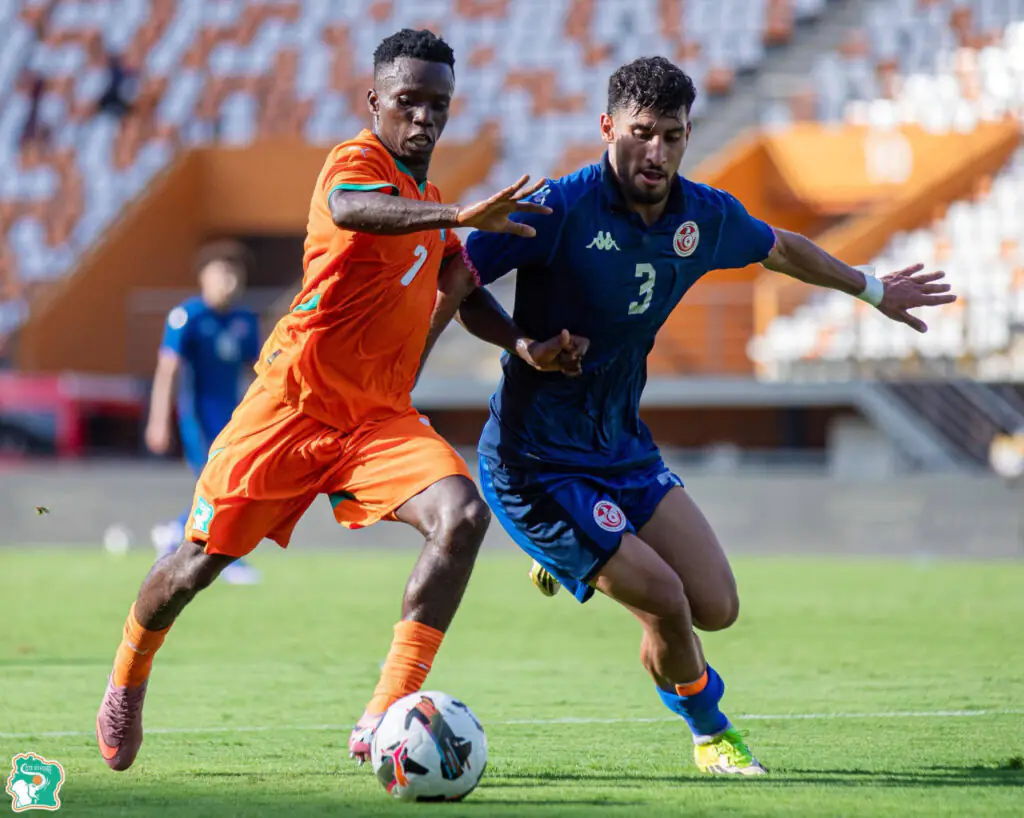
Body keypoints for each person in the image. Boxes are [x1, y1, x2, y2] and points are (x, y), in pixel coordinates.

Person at [427, 56, 956, 775]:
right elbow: (455, 277)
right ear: (608, 127)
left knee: (717, 604)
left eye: (673, 136)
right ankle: (711, 732)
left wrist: (871, 288)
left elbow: (781, 249)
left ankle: (562, 559)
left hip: (620, 451)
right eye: (642, 133)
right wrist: (523, 344)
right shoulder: (557, 207)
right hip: (533, 464)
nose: (658, 152)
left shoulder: (701, 216)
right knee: (667, 602)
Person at [95, 28, 555, 772]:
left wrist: (522, 346)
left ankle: (381, 717)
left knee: (463, 516)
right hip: (291, 405)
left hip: (377, 418)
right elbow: (352, 210)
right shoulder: (357, 164)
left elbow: (461, 289)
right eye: (408, 101)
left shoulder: (432, 201)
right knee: (195, 564)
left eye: (438, 104)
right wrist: (455, 218)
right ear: (375, 101)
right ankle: (127, 675)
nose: (424, 118)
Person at [145, 241, 263, 586]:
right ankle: (228, 556)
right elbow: (168, 369)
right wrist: (157, 420)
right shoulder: (188, 316)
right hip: (196, 416)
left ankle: (174, 531)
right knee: (221, 485)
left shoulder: (244, 320)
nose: (228, 281)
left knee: (237, 485)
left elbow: (256, 370)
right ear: (203, 278)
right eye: (221, 273)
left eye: (234, 274)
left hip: (232, 418)